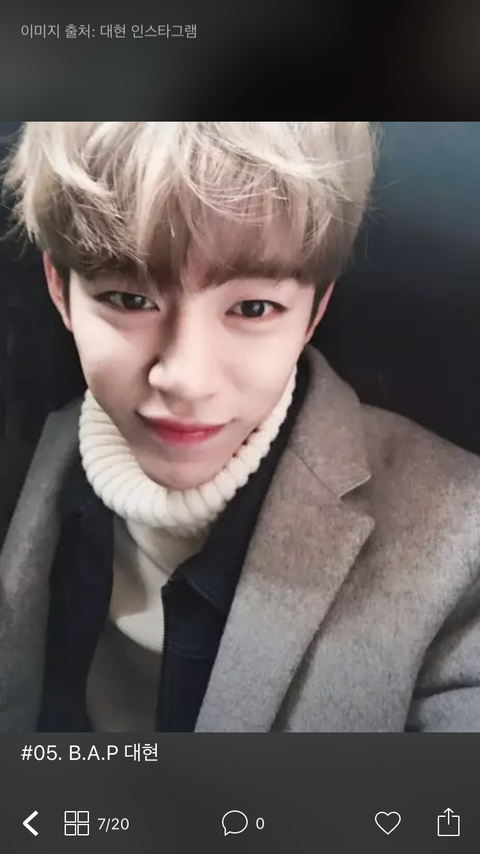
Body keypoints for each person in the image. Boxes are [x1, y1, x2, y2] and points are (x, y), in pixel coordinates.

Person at [1, 122, 480, 733]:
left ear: (315, 310)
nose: (187, 379)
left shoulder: (462, 541)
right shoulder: (22, 458)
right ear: (59, 289)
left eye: (253, 308)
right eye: (129, 299)